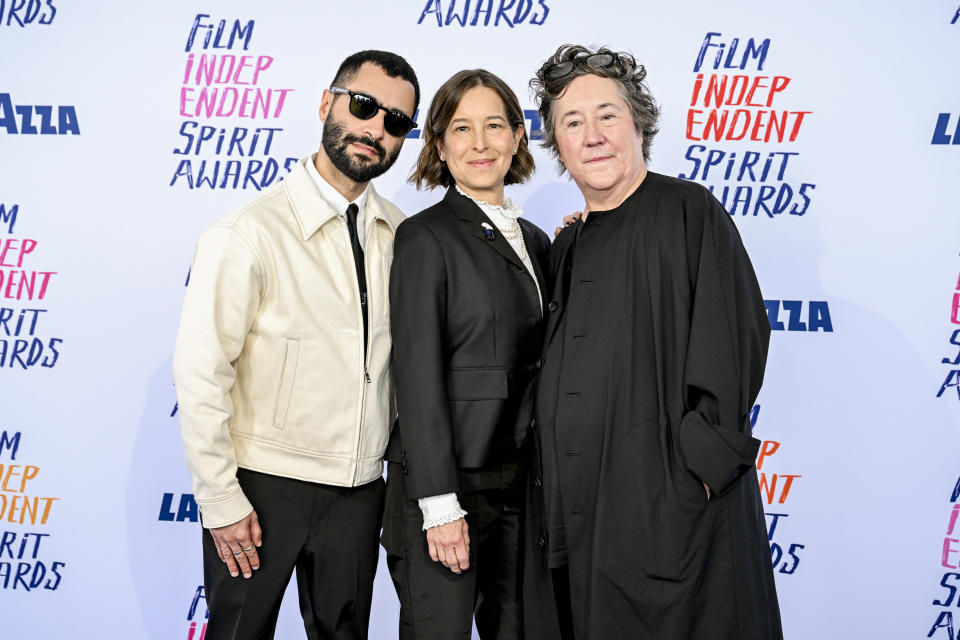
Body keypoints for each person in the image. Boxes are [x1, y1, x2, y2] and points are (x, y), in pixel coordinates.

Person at [522, 44, 784, 640]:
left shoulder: (689, 211)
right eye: (572, 122)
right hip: (585, 528)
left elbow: (735, 343)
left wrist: (693, 476)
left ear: (637, 121)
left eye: (607, 115)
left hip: (678, 521)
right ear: (557, 146)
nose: (593, 135)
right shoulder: (566, 247)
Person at [172, 50, 419, 640]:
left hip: (360, 491)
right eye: (363, 106)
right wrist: (221, 500)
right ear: (326, 103)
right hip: (261, 488)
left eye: (396, 122)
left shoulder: (403, 233)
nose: (374, 129)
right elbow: (202, 372)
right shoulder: (250, 232)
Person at [382, 68, 549, 640]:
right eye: (462, 128)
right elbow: (417, 374)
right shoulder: (425, 237)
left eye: (495, 126)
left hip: (522, 487)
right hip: (448, 488)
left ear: (518, 137)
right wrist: (439, 503)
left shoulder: (539, 240)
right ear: (438, 145)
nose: (480, 144)